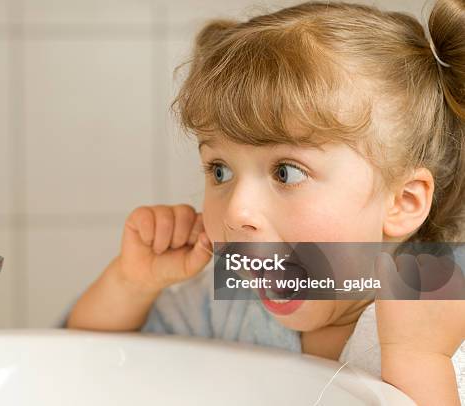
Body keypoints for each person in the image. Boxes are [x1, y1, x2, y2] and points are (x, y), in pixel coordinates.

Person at [64, 1, 465, 404]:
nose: (237, 211)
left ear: (403, 202)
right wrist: (132, 284)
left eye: (286, 172)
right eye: (219, 170)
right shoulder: (231, 303)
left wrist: (419, 361)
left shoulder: (443, 326)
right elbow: (78, 369)